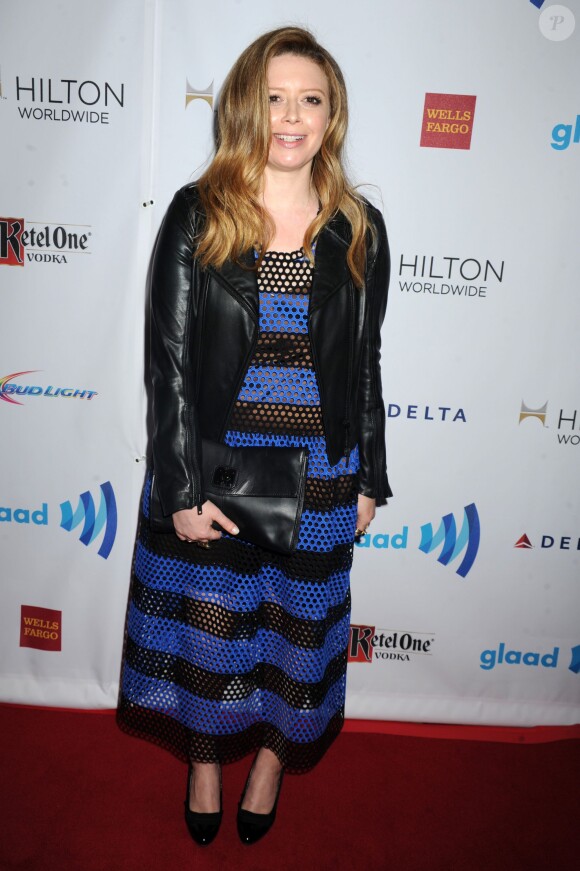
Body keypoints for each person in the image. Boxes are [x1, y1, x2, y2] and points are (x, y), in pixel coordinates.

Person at [117, 25, 392, 847]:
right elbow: (164, 365)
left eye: (310, 98)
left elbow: (365, 362)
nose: (291, 115)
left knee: (299, 645)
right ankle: (205, 764)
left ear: (331, 113)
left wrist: (372, 474)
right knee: (210, 640)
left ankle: (270, 763)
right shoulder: (199, 213)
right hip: (217, 477)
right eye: (274, 97)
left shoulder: (358, 224)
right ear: (245, 105)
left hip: (323, 475)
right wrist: (179, 493)